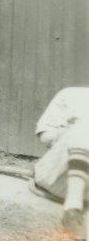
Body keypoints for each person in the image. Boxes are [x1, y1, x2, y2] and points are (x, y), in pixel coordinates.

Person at [33, 86, 89, 236]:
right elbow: (44, 135)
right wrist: (68, 133)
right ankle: (72, 208)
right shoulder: (71, 94)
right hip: (59, 176)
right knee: (86, 127)